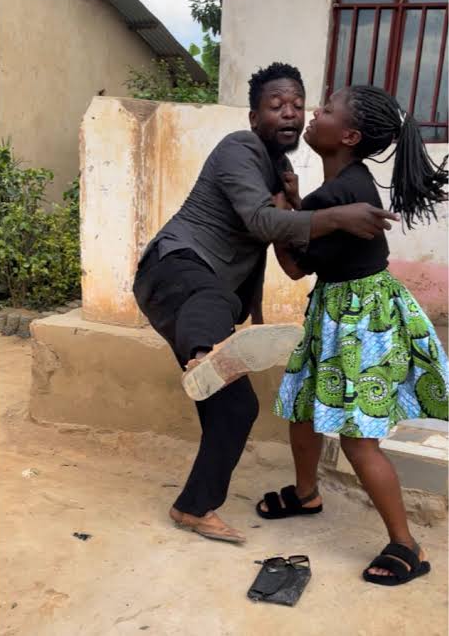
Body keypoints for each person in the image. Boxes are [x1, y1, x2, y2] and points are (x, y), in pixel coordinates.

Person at [133, 64, 398, 544]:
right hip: (175, 268)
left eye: (297, 104)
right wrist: (336, 217)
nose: (291, 113)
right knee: (211, 298)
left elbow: (280, 251)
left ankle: (193, 506)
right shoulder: (239, 147)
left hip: (205, 301)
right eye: (276, 105)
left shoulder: (278, 170)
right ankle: (203, 355)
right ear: (255, 117)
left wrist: (297, 208)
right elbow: (260, 222)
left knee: (237, 409)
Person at [256, 85, 448, 584]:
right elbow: (321, 230)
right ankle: (306, 494)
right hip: (344, 312)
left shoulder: (341, 193)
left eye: (325, 109)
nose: (312, 113)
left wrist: (278, 216)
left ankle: (407, 545)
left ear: (348, 136)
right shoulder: (348, 184)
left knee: (358, 440)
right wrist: (298, 207)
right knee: (303, 407)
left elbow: (295, 267)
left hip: (360, 322)